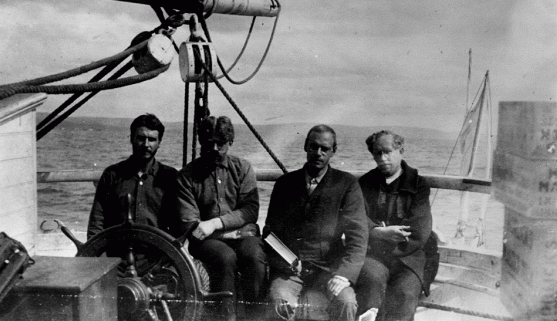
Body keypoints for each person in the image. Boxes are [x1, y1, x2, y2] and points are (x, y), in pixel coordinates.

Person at [264, 124, 369, 321]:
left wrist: (345, 274)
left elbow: (358, 237)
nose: (318, 153)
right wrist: (285, 262)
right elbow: (270, 234)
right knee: (280, 302)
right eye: (313, 147)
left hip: (330, 270)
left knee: (346, 303)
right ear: (306, 147)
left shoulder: (346, 184)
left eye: (325, 149)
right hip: (290, 271)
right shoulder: (285, 183)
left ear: (333, 151)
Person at [174, 115, 266, 321]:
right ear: (200, 142)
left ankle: (256, 317)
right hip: (206, 242)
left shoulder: (243, 169)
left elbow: (250, 209)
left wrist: (215, 223)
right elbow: (191, 225)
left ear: (230, 143)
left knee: (254, 255)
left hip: (234, 236)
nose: (215, 148)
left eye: (221, 143)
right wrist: (232, 233)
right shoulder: (186, 177)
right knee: (225, 257)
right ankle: (226, 318)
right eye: (209, 143)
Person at [356, 130, 435, 321]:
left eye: (388, 151)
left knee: (404, 294)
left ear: (401, 151)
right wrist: (378, 232)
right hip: (374, 255)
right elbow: (356, 219)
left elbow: (418, 230)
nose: (383, 158)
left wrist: (377, 235)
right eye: (377, 153)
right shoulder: (365, 183)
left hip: (409, 258)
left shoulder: (418, 185)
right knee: (371, 285)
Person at [87, 113, 178, 239]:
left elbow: (178, 225)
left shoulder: (170, 177)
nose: (146, 145)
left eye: (151, 139)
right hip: (116, 254)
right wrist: (98, 256)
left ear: (159, 142)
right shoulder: (112, 175)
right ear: (131, 139)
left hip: (157, 255)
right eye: (141, 138)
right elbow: (97, 222)